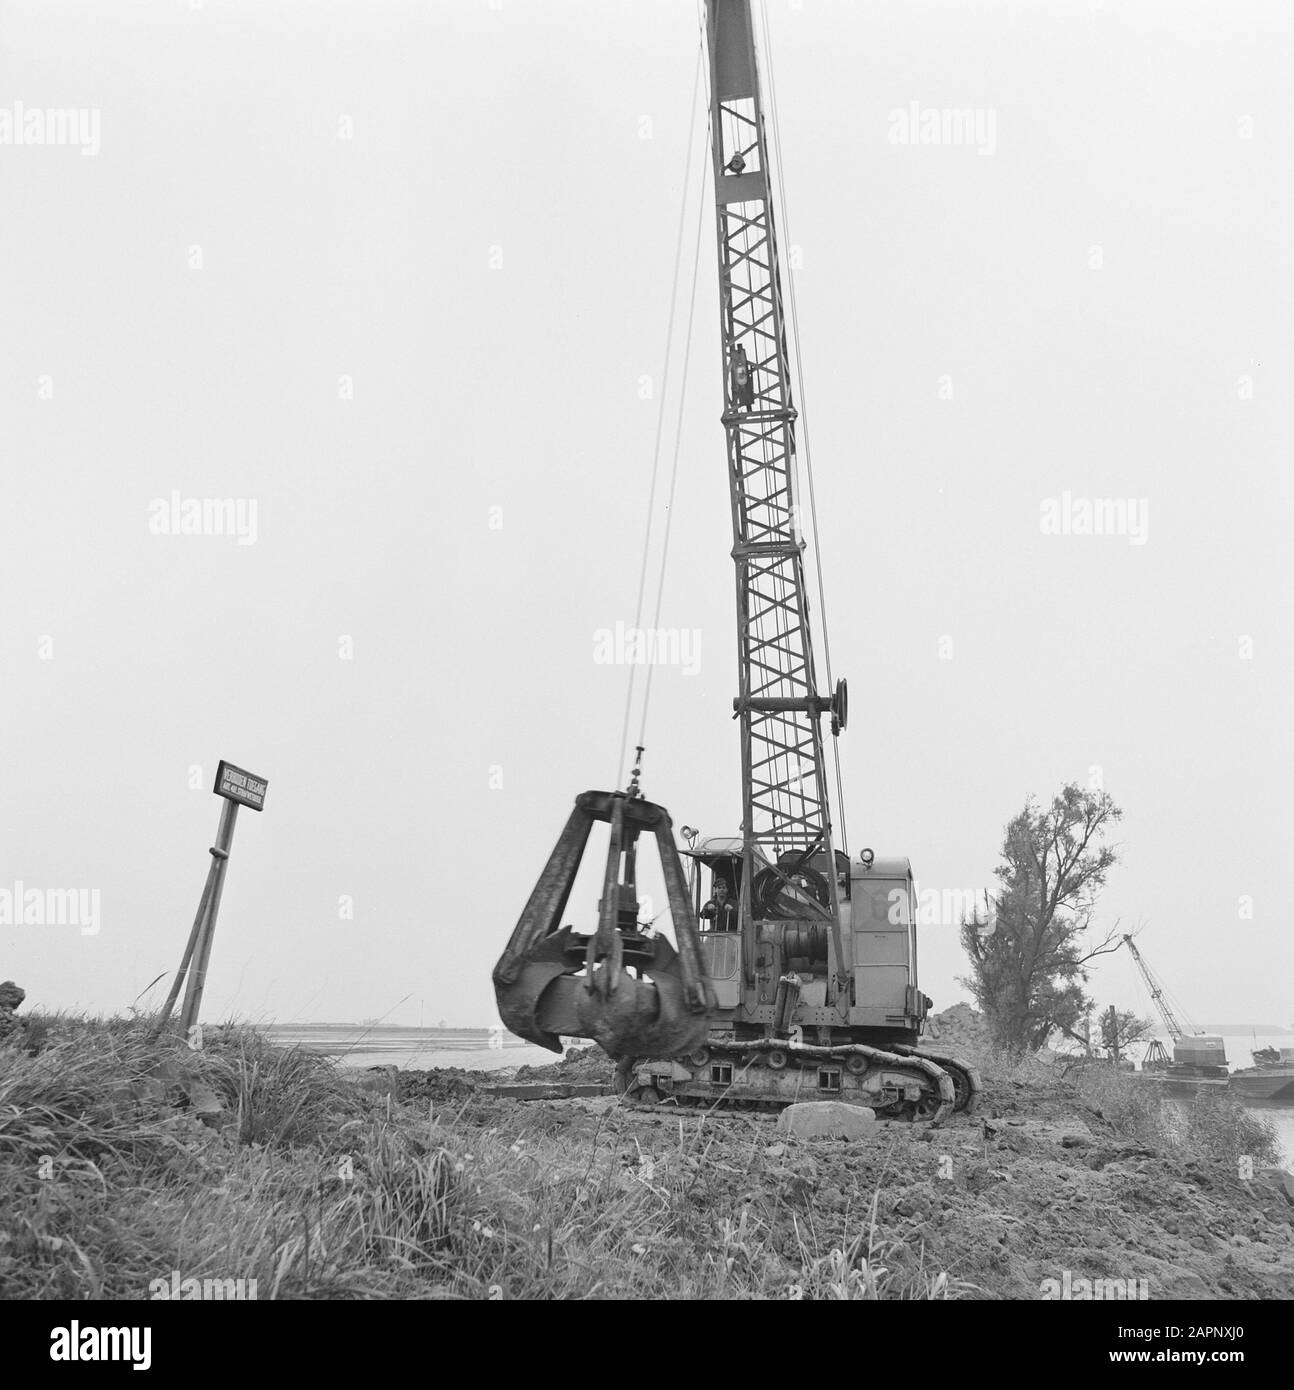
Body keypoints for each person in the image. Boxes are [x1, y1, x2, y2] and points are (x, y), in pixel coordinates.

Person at [731, 344, 755, 410]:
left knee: (740, 367)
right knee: (740, 367)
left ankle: (738, 352)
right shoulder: (742, 381)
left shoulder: (742, 382)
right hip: (741, 373)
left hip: (741, 373)